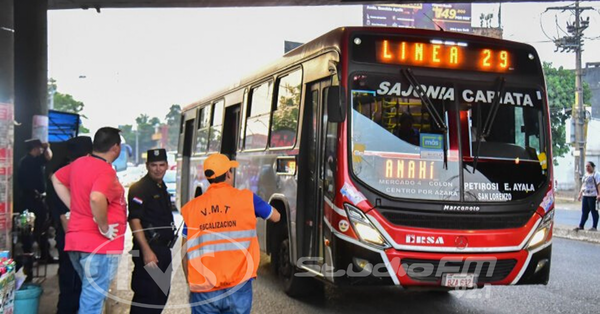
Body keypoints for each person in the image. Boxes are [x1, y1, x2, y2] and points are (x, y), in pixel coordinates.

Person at [181, 153, 280, 314]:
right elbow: (276, 216)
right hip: (238, 285)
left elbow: (185, 251)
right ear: (228, 174)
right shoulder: (248, 199)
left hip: (203, 288)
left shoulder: (192, 208)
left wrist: (189, 282)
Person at [51, 127, 127, 314]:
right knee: (92, 300)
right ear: (116, 147)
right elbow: (96, 197)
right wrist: (104, 227)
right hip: (99, 246)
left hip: (76, 242)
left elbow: (56, 179)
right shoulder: (105, 170)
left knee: (89, 293)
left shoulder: (79, 164)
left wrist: (74, 206)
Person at [48, 136, 92, 314]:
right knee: (72, 286)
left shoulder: (60, 174)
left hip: (71, 239)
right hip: (73, 241)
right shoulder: (66, 177)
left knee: (73, 285)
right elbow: (65, 219)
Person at [128, 149, 176, 314]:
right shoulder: (140, 188)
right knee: (146, 298)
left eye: (162, 165)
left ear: (167, 166)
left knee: (160, 297)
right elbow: (134, 220)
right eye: (154, 165)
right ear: (147, 166)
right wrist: (147, 251)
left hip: (163, 250)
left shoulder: (161, 187)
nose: (158, 169)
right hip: (148, 250)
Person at [17, 138, 53, 261]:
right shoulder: (31, 161)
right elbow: (48, 157)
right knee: (39, 227)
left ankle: (34, 254)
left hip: (29, 198)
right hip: (33, 199)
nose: (41, 150)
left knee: (32, 227)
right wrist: (47, 147)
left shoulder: (25, 161)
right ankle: (37, 254)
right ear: (35, 149)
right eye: (40, 148)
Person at [575, 161, 600, 231]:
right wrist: (580, 194)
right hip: (585, 195)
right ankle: (581, 225)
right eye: (586, 166)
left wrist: (599, 194)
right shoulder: (586, 175)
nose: (587, 168)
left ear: (593, 167)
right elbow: (583, 185)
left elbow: (598, 184)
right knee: (584, 211)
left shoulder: (596, 174)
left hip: (593, 195)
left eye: (589, 166)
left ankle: (594, 227)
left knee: (594, 211)